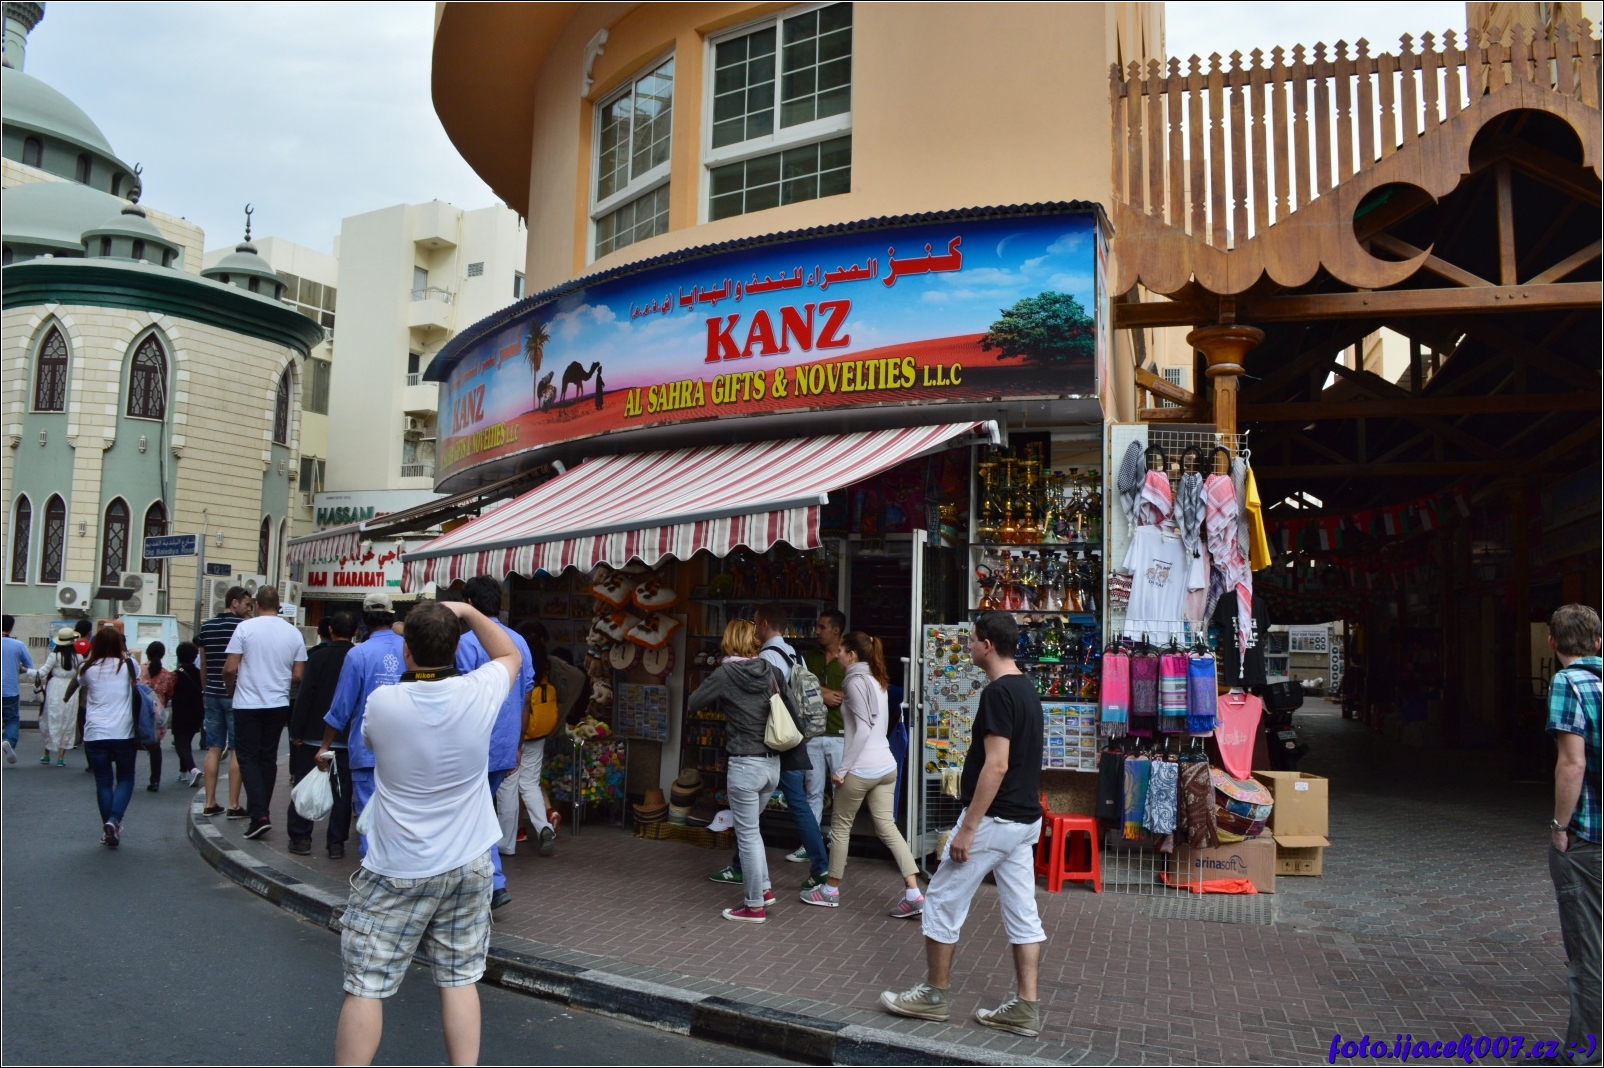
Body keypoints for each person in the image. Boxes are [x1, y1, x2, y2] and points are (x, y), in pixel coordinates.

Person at [329, 597, 519, 1066]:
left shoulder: (384, 702)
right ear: (455, 649)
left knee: (367, 984)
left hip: (398, 866)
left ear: (407, 650)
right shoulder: (480, 690)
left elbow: (368, 740)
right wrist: (469, 612)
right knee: (459, 978)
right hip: (469, 862)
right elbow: (508, 654)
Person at [882, 611, 1046, 1039]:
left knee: (941, 898)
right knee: (1022, 911)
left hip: (994, 820)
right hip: (1023, 820)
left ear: (987, 645)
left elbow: (997, 765)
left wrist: (969, 827)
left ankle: (934, 995)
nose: (968, 645)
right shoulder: (1026, 688)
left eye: (972, 639)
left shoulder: (998, 694)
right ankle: (1026, 1006)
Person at [800, 631, 923, 914]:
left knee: (841, 829)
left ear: (852, 655)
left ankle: (830, 890)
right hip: (886, 766)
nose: (838, 655)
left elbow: (864, 729)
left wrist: (842, 769)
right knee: (888, 828)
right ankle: (914, 893)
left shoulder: (854, 681)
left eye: (841, 651)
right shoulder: (877, 678)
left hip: (860, 769)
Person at [688, 619, 790, 923]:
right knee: (752, 831)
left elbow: (694, 702)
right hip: (772, 764)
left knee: (747, 836)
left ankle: (754, 905)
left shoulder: (725, 673)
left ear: (728, 641)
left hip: (745, 765)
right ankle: (765, 889)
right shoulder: (771, 670)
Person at [455, 576, 533, 911]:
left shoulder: (465, 643)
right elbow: (526, 697)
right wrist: (518, 744)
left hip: (474, 744)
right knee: (480, 811)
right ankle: (486, 882)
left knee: (476, 814)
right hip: (504, 743)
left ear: (469, 605)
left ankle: (493, 882)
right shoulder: (518, 642)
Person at [1545, 603, 1601, 1059]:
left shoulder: (1569, 682)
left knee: (1588, 951)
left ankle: (1586, 1052)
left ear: (1552, 643)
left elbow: (1572, 763)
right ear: (1599, 642)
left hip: (1590, 836)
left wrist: (1559, 827)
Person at [318, 591, 405, 856]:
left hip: (367, 748)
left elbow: (341, 708)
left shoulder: (358, 655)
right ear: (391, 617)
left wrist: (325, 745)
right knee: (401, 814)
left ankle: (372, 866)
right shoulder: (409, 649)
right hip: (405, 748)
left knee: (368, 813)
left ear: (364, 620)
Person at [754, 604, 830, 885]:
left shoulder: (767, 656)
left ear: (764, 624)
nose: (754, 629)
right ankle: (820, 866)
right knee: (798, 802)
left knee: (752, 803)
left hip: (773, 739)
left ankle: (740, 866)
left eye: (755, 623)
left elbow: (762, 700)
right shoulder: (795, 654)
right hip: (794, 738)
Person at [223, 586, 307, 839]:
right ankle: (260, 812)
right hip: (277, 703)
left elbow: (230, 668)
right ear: (279, 606)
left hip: (247, 703)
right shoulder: (293, 632)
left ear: (257, 605)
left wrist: (231, 689)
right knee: (268, 759)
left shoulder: (244, 628)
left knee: (248, 758)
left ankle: (259, 815)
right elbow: (298, 675)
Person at [498, 621, 586, 860]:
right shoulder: (547, 665)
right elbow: (574, 681)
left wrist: (516, 742)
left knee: (509, 786)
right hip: (539, 734)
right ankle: (544, 828)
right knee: (530, 784)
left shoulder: (514, 662)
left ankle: (506, 843)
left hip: (516, 732)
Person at [62, 627, 140, 847]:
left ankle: (109, 830)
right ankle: (114, 820)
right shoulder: (129, 665)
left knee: (103, 782)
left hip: (95, 733)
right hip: (123, 732)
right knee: (126, 778)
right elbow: (137, 678)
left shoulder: (86, 668)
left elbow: (77, 683)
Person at [288, 612, 357, 857]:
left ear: (330, 630)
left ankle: (301, 837)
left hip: (314, 733)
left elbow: (305, 694)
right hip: (346, 736)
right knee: (342, 791)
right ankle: (336, 842)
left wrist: (296, 731)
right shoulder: (358, 656)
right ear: (355, 632)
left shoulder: (317, 657)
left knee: (305, 783)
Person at [197, 586, 249, 817]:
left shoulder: (206, 627)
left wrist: (205, 689)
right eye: (246, 604)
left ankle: (209, 802)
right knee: (237, 749)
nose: (249, 609)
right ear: (234, 602)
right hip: (236, 694)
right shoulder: (243, 627)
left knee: (213, 747)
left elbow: (203, 663)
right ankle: (233, 804)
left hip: (211, 693)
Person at [803, 609, 848, 831]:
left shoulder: (848, 657)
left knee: (841, 793)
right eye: (817, 627)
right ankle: (810, 843)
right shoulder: (809, 657)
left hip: (840, 734)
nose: (817, 631)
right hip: (812, 733)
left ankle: (837, 842)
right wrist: (824, 693)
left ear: (836, 630)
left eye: (822, 627)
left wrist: (841, 695)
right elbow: (798, 686)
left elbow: (862, 689)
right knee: (813, 792)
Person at [32, 627, 80, 766]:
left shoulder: (54, 656)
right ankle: (61, 757)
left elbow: (42, 672)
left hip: (54, 688)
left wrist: (26, 670)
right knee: (67, 721)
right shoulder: (79, 657)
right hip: (71, 690)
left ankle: (46, 754)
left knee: (50, 718)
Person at [138, 641, 175, 792]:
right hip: (157, 716)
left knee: (131, 745)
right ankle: (155, 781)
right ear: (163, 655)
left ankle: (126, 777)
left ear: (147, 653)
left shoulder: (139, 670)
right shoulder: (167, 675)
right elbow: (169, 695)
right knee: (155, 747)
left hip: (139, 712)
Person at [170, 642, 204, 787]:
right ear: (195, 656)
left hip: (180, 712)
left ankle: (193, 769)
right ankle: (182, 772)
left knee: (181, 744)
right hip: (196, 712)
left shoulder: (176, 675)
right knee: (186, 741)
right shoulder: (199, 674)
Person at [2, 614, 34, 764]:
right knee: (12, 720)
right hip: (10, 689)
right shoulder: (18, 645)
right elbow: (29, 667)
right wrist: (16, 668)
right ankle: (8, 742)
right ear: (11, 627)